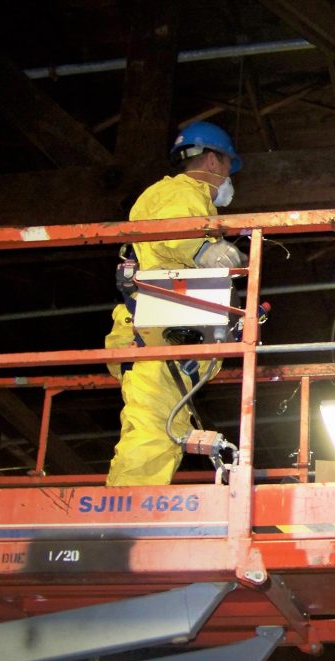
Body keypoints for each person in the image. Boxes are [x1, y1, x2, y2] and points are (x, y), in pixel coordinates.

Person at [104, 121, 246, 486]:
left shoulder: (180, 197)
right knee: (154, 431)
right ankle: (124, 513)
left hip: (164, 331)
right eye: (228, 165)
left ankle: (129, 508)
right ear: (213, 160)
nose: (228, 176)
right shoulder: (183, 191)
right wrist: (204, 250)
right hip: (155, 333)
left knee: (165, 429)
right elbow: (175, 229)